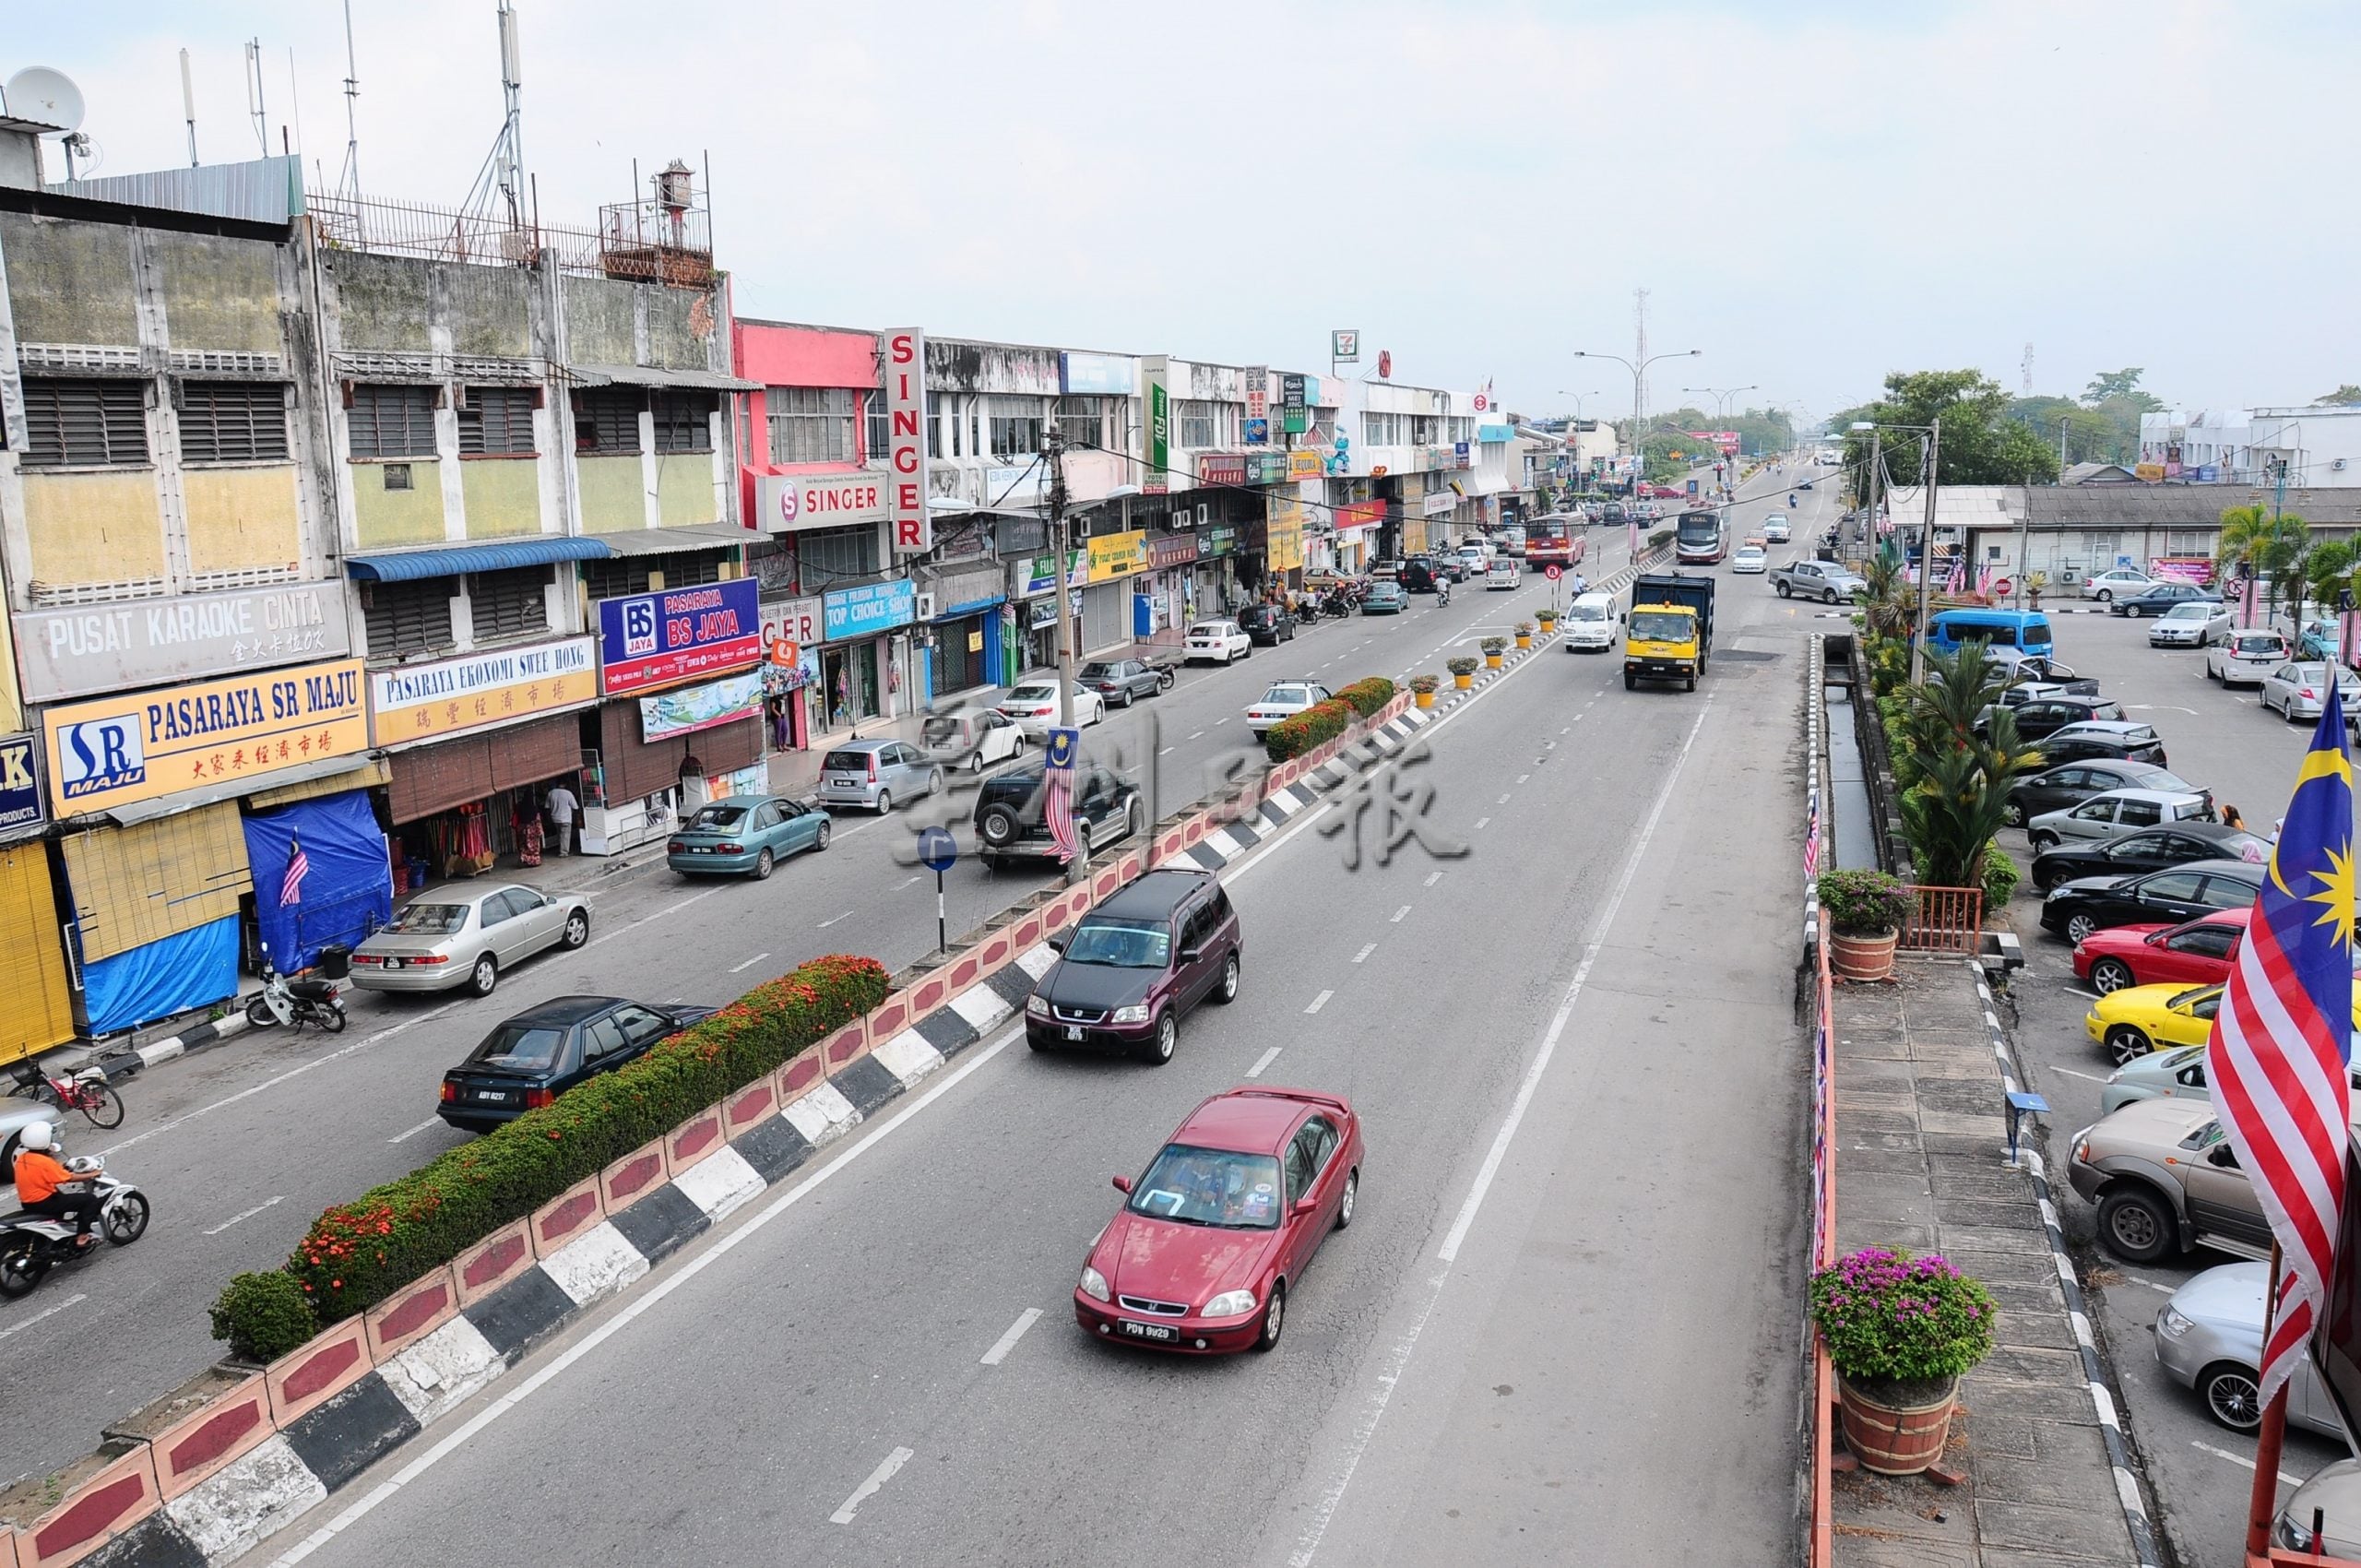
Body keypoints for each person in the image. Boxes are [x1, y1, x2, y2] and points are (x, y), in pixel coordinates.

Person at [12, 1123, 94, 1248]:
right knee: (89, 1199)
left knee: (61, 1198)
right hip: (45, 1202)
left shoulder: (23, 1157)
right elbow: (68, 1177)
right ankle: (82, 1236)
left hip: (28, 1202)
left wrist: (62, 1166)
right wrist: (92, 1174)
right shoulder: (43, 1161)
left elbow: (46, 1171)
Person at [545, 781, 578, 857]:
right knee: (565, 835)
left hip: (555, 818)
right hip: (566, 818)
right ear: (565, 785)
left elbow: (547, 807)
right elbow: (575, 807)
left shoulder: (551, 793)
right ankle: (564, 852)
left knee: (560, 834)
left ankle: (561, 849)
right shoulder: (568, 793)